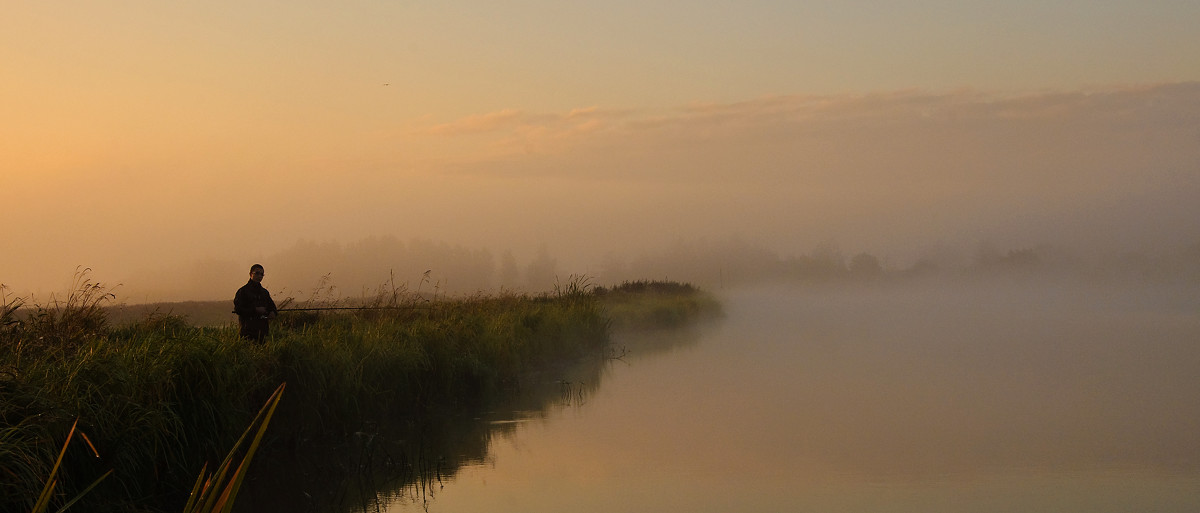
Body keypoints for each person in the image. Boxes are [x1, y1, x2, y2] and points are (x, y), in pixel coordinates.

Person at [233, 264, 277, 341]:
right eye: (257, 273)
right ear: (250, 274)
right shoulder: (242, 291)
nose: (259, 276)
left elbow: (272, 307)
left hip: (262, 332)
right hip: (247, 332)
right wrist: (255, 310)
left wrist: (273, 312)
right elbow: (238, 309)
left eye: (262, 274)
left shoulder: (264, 292)